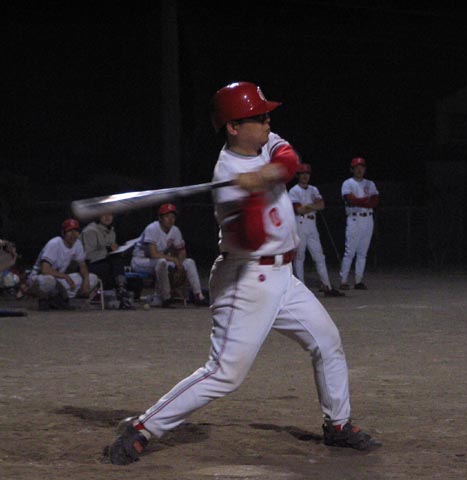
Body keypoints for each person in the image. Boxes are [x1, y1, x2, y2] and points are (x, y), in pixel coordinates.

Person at [104, 81, 380, 465]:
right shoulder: (227, 178)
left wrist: (265, 176)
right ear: (233, 127)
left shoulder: (263, 143)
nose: (268, 122)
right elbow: (251, 238)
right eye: (258, 117)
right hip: (247, 279)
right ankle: (143, 428)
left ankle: (337, 424)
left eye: (266, 116)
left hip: (284, 277)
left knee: (327, 342)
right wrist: (249, 196)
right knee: (225, 373)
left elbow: (288, 160)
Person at [130, 203, 208, 308]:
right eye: (167, 216)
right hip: (140, 260)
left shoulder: (175, 230)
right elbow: (153, 254)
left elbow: (182, 251)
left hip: (159, 259)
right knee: (161, 262)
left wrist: (180, 263)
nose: (170, 219)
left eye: (173, 217)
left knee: (189, 262)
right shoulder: (152, 228)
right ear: (160, 218)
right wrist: (174, 260)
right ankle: (166, 298)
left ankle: (198, 296)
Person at [288, 163, 344, 297]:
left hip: (312, 224)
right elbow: (299, 210)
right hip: (300, 223)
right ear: (298, 175)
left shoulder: (313, 189)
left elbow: (322, 205)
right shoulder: (294, 191)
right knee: (300, 256)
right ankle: (300, 289)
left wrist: (308, 206)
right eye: (302, 174)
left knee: (319, 255)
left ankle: (327, 286)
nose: (305, 176)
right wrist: (313, 206)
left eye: (307, 174)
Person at [27, 218, 100, 310]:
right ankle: (45, 298)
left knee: (92, 278)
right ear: (63, 233)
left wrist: (86, 281)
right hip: (38, 278)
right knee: (48, 281)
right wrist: (66, 277)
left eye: (76, 231)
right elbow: (45, 270)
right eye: (70, 231)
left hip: (58, 279)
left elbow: (82, 265)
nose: (73, 234)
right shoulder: (54, 243)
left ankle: (57, 299)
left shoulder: (77, 244)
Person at [339, 157, 379, 290]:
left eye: (361, 167)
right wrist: (366, 200)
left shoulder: (370, 183)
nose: (359, 169)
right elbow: (350, 200)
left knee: (363, 252)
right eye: (357, 167)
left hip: (368, 219)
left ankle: (358, 280)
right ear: (352, 169)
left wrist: (360, 201)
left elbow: (375, 201)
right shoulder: (348, 183)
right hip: (354, 219)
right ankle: (343, 280)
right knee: (350, 251)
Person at [81, 213, 134, 309]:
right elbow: (88, 256)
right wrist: (108, 249)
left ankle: (121, 290)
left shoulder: (111, 231)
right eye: (104, 214)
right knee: (115, 262)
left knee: (117, 260)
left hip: (105, 264)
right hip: (88, 267)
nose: (107, 217)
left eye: (110, 214)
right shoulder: (90, 231)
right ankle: (121, 291)